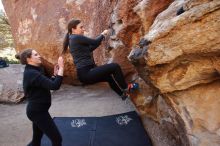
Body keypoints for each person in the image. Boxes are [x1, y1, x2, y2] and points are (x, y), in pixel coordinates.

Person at [62, 19, 138, 100]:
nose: (83, 29)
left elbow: (90, 48)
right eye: (81, 27)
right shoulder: (76, 37)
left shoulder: (72, 39)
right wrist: (102, 34)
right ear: (73, 29)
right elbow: (94, 42)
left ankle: (123, 95)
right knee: (115, 66)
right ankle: (126, 87)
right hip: (86, 73)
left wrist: (101, 38)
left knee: (108, 77)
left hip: (85, 74)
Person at [15, 48, 64, 146]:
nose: (39, 56)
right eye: (36, 55)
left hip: (38, 111)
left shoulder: (36, 69)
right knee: (57, 139)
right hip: (37, 112)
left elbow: (47, 84)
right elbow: (55, 86)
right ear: (29, 59)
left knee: (36, 140)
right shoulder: (32, 73)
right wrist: (62, 68)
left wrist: (54, 75)